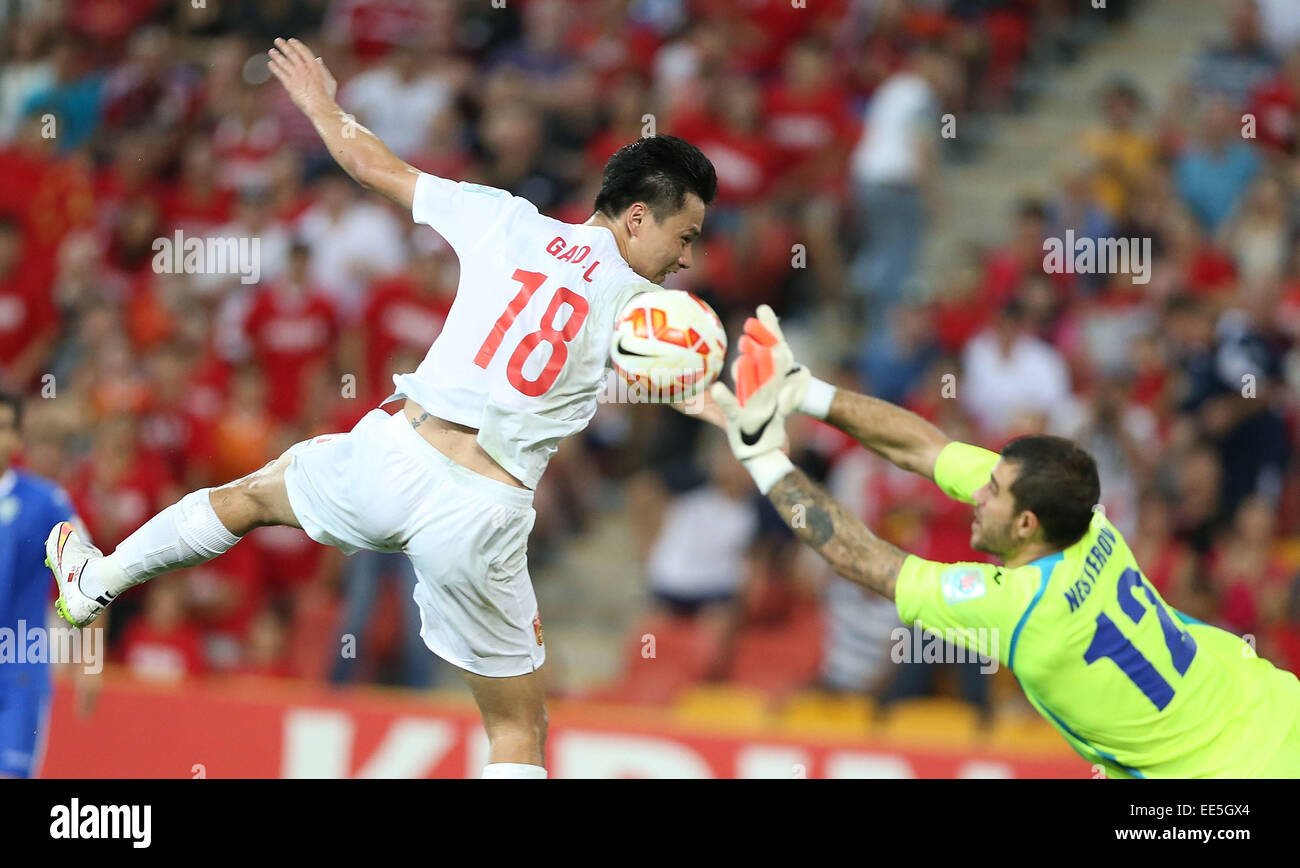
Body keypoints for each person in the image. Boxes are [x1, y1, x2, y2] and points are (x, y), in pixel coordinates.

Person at [45, 37, 720, 779]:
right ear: (634, 219)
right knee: (518, 731)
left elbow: (373, 165)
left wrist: (319, 106)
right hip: (481, 509)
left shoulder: (507, 218)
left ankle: (98, 580)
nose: (684, 257)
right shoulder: (648, 304)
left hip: (396, 458)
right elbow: (674, 375)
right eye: (683, 235)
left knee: (247, 499)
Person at [709, 305, 1300, 778]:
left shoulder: (1017, 608)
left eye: (992, 493)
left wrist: (762, 458)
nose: (978, 495)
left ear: (1026, 526)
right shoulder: (1084, 520)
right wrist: (802, 391)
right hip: (1276, 709)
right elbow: (926, 448)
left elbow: (859, 557)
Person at [0, 393, 98, 777]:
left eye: (6, 428)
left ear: (19, 439)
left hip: (20, 666)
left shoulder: (47, 502)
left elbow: (91, 575)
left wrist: (91, 663)